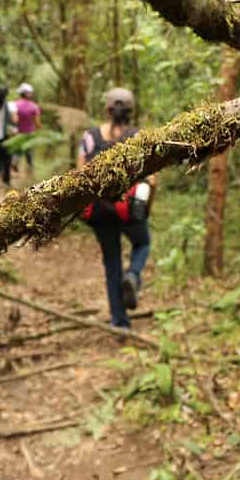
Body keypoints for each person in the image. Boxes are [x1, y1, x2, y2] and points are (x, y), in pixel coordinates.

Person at [77, 87, 154, 330]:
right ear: (131, 111)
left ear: (107, 110)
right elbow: (152, 180)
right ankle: (133, 275)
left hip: (100, 212)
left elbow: (79, 177)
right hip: (129, 208)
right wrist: (145, 210)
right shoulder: (139, 136)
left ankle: (120, 322)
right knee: (142, 243)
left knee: (111, 263)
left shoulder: (89, 138)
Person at [14, 83, 42, 173]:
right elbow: (37, 122)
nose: (31, 94)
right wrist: (39, 129)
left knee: (18, 150)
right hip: (30, 132)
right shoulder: (34, 106)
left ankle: (15, 162)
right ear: (27, 93)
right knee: (29, 152)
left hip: (17, 132)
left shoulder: (15, 104)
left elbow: (13, 119)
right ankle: (30, 169)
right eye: (30, 92)